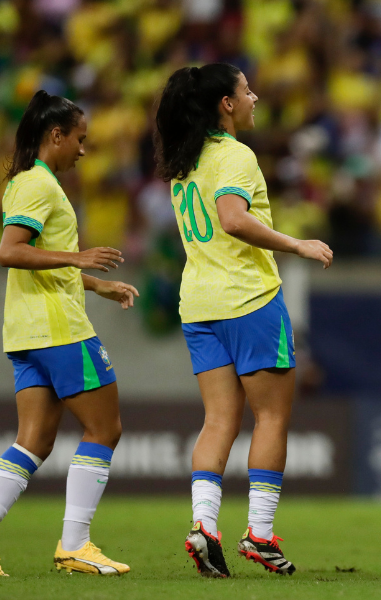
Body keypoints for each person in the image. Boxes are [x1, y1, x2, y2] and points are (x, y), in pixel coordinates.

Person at [153, 63, 333, 578]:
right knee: (271, 417)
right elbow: (232, 218)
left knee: (217, 421)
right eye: (246, 90)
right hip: (249, 299)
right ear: (226, 104)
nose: (255, 97)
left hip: (200, 304)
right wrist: (296, 243)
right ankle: (259, 534)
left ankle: (204, 526)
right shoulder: (235, 155)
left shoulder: (185, 161)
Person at [0, 90, 139, 577]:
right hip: (59, 329)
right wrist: (78, 258)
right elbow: (10, 251)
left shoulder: (24, 182)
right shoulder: (40, 184)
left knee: (33, 440)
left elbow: (38, 256)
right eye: (79, 139)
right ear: (55, 135)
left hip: (25, 329)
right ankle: (75, 544)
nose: (83, 149)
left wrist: (95, 283)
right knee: (105, 428)